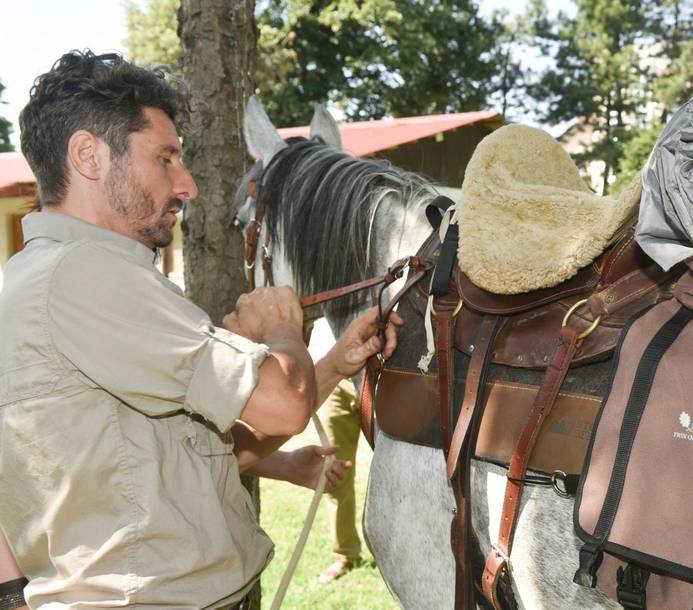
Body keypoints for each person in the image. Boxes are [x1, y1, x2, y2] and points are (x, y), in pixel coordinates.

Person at [0, 50, 402, 609]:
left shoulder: (47, 277)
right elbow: (282, 406)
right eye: (165, 158)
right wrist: (281, 328)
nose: (186, 185)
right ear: (88, 155)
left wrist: (334, 363)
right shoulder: (86, 277)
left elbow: (187, 454)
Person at [315, 381, 363, 584]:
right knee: (335, 473)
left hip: (385, 378)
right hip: (337, 382)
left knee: (396, 472)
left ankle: (401, 551)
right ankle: (346, 554)